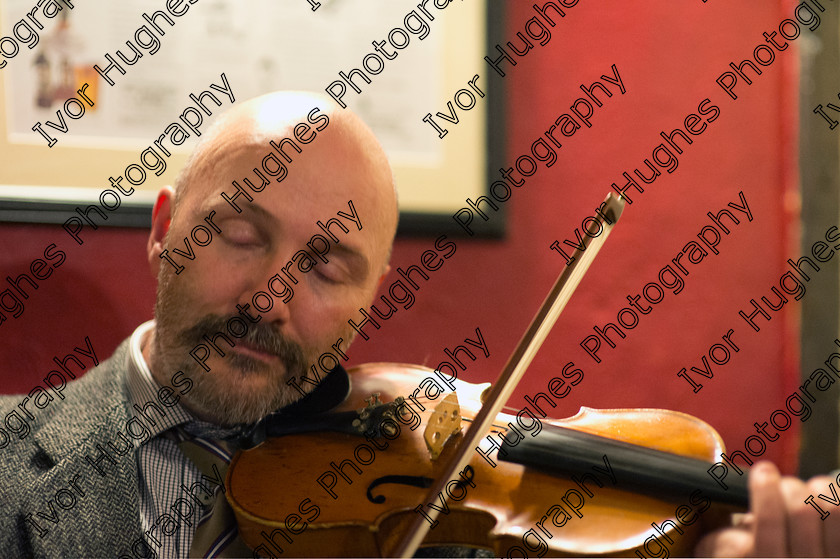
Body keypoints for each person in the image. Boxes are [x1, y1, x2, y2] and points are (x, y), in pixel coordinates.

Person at [0, 91, 836, 558]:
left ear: (372, 294)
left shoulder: (437, 507)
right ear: (162, 231)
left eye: (327, 266)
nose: (270, 293)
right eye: (240, 233)